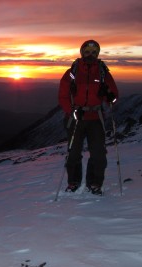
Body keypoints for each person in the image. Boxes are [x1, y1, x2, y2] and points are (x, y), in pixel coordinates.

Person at [58, 39, 119, 195]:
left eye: (93, 52)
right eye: (87, 52)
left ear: (97, 54)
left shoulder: (103, 72)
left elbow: (114, 96)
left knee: (98, 153)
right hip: (76, 117)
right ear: (82, 53)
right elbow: (63, 95)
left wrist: (109, 95)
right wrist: (72, 111)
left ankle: (95, 183)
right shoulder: (73, 71)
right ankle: (73, 182)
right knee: (73, 153)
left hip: (95, 117)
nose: (90, 55)